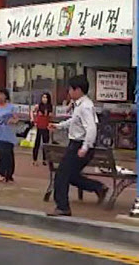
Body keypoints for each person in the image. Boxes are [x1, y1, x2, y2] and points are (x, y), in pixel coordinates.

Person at [48, 75, 108, 217]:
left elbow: (91, 128)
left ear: (78, 90)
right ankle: (99, 187)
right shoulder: (80, 105)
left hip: (79, 145)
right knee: (71, 175)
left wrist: (85, 147)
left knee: (62, 175)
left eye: (70, 89)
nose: (69, 92)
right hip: (76, 143)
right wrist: (59, 126)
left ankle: (62, 206)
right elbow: (74, 122)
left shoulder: (85, 106)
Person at [0, 88, 19, 183]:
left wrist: (12, 121)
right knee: (1, 152)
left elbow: (16, 119)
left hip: (8, 134)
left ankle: (9, 174)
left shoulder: (11, 107)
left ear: (6, 96)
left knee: (8, 154)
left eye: (1, 94)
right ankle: (0, 173)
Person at [31, 93, 52, 166]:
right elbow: (32, 112)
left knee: (45, 143)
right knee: (37, 142)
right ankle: (35, 159)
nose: (44, 99)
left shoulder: (49, 107)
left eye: (46, 97)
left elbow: (50, 116)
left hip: (46, 126)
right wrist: (33, 120)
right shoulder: (38, 106)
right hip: (39, 126)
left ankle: (44, 159)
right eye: (43, 97)